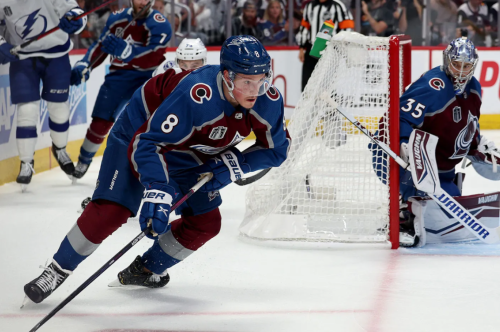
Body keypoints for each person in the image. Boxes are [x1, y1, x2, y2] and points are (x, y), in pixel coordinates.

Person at [23, 35, 291, 304]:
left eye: (262, 79)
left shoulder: (267, 99)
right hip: (139, 134)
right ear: (227, 76)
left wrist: (233, 166)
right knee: (113, 209)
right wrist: (158, 189)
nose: (256, 90)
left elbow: (276, 150)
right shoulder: (197, 94)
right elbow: (149, 143)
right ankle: (56, 270)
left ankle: (146, 269)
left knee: (205, 223)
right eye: (247, 81)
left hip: (191, 149)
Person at [371, 37, 499, 247]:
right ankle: (404, 213)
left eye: (466, 66)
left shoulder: (475, 88)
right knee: (420, 193)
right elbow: (393, 119)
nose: (460, 71)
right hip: (398, 160)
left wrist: (476, 145)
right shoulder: (433, 86)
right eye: (456, 64)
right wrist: (404, 145)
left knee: (449, 205)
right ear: (447, 60)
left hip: (439, 170)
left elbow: (467, 125)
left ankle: (419, 202)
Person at [71, 0, 172, 180]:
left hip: (147, 78)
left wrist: (127, 52)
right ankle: (84, 160)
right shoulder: (117, 18)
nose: (143, 1)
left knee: (149, 125)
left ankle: (153, 166)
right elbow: (102, 45)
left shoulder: (160, 23)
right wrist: (85, 63)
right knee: (100, 121)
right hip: (118, 77)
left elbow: (154, 55)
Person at [0, 0, 88, 190]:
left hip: (56, 54)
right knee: (27, 109)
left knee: (59, 109)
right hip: (21, 57)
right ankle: (26, 162)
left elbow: (76, 13)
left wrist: (75, 20)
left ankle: (60, 149)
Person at [296, 0, 354, 91]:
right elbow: (304, 27)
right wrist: (301, 48)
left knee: (328, 84)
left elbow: (347, 28)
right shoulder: (309, 6)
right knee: (308, 85)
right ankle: (308, 104)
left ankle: (329, 104)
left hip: (331, 50)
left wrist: (340, 46)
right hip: (312, 50)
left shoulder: (338, 6)